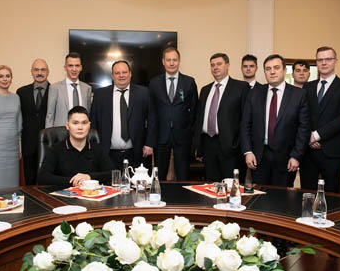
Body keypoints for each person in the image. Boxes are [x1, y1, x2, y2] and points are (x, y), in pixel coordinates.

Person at [241, 54, 310, 187]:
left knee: (282, 197)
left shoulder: (299, 95)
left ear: (284, 70)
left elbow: (304, 128)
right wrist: (248, 151)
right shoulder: (254, 93)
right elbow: (245, 125)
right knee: (259, 195)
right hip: (258, 157)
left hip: (287, 158)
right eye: (268, 69)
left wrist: (296, 156)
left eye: (276, 68)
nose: (272, 72)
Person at [300, 46, 340, 193]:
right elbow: (302, 115)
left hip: (332, 150)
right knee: (306, 193)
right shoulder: (307, 87)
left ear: (335, 61)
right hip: (308, 150)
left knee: (331, 193)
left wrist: (316, 135)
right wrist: (308, 137)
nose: (324, 63)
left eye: (328, 59)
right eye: (320, 60)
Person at [195, 53, 249, 181]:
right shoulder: (205, 90)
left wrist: (238, 144)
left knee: (231, 187)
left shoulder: (241, 87)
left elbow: (246, 119)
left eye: (219, 64)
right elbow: (199, 119)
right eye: (212, 65)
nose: (215, 67)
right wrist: (198, 146)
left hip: (231, 148)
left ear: (228, 65)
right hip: (208, 145)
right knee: (211, 185)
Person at [146, 47, 198, 180]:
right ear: (163, 61)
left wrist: (189, 132)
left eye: (174, 60)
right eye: (168, 60)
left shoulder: (189, 82)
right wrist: (150, 140)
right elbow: (152, 113)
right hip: (161, 136)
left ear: (179, 61)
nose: (171, 63)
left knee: (183, 175)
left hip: (183, 137)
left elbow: (194, 110)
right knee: (159, 176)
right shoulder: (154, 83)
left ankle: (181, 194)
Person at [89, 60, 151, 169]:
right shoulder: (100, 95)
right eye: (117, 73)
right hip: (108, 154)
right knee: (110, 180)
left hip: (136, 153)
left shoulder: (143, 93)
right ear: (112, 76)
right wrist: (95, 148)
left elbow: (152, 120)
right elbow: (93, 123)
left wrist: (149, 143)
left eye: (124, 72)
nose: (121, 75)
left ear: (130, 74)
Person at [37, 106, 115, 188]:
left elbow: (113, 173)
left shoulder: (98, 149)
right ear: (68, 126)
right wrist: (73, 181)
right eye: (75, 123)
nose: (80, 127)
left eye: (84, 123)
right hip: (64, 194)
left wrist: (89, 177)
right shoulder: (56, 149)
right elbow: (43, 177)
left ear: (89, 125)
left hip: (91, 194)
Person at [17, 59, 53, 185]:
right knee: (30, 182)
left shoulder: (55, 90)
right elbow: (18, 118)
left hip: (49, 144)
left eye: (43, 70)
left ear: (48, 72)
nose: (39, 73)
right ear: (31, 72)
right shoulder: (21, 92)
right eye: (36, 70)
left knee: (48, 182)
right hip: (28, 145)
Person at [46, 52, 92, 127]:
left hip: (81, 131)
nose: (74, 69)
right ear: (65, 67)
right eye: (70, 66)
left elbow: (88, 114)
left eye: (77, 66)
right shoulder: (55, 88)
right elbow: (50, 116)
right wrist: (48, 133)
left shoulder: (87, 88)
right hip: (60, 132)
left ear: (81, 67)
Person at [287, 60, 311, 187]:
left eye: (305, 71)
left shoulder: (313, 93)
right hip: (289, 146)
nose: (301, 73)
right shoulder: (286, 92)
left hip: (310, 145)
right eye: (298, 70)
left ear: (309, 74)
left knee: (307, 183)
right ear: (292, 74)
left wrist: (313, 136)